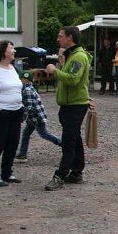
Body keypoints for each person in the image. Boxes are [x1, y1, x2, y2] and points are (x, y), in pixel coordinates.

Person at [44, 26, 93, 191]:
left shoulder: (78, 56)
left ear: (70, 37)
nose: (58, 39)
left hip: (74, 106)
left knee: (68, 141)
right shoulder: (72, 55)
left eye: (60, 36)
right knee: (74, 138)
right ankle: (77, 172)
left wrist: (54, 71)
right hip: (70, 104)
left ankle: (60, 175)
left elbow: (73, 79)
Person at [0, 41, 25, 186]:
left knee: (12, 143)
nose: (14, 51)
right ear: (2, 51)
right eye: (11, 48)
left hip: (16, 111)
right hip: (0, 113)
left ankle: (7, 173)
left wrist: (22, 105)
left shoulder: (13, 68)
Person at [16, 70, 61, 162]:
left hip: (36, 117)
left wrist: (22, 115)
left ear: (25, 80)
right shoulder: (29, 88)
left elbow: (30, 107)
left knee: (44, 134)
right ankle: (22, 154)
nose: (20, 81)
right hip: (33, 118)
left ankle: (65, 145)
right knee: (26, 134)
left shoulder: (27, 90)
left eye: (21, 79)